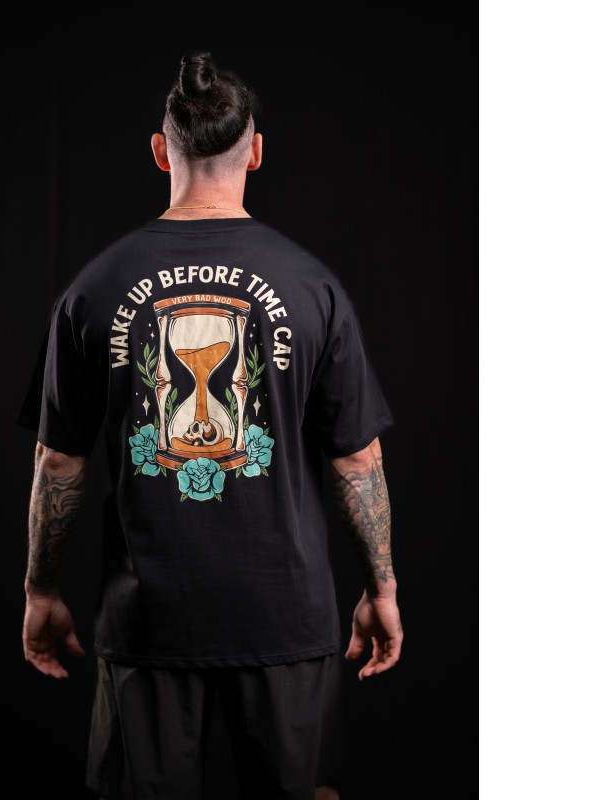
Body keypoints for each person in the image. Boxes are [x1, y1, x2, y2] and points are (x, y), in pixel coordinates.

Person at [22, 51, 403, 800]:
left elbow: (58, 462)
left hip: (150, 618)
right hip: (284, 613)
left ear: (160, 152)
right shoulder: (312, 287)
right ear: (255, 152)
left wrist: (40, 590)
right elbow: (359, 460)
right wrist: (381, 588)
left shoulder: (95, 287)